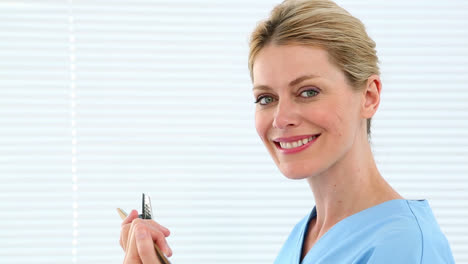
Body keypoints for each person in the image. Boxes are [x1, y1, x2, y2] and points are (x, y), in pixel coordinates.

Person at [119, 0, 456, 263]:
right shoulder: (306, 236)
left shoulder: (405, 247)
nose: (281, 118)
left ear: (369, 97)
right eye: (266, 98)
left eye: (308, 91)